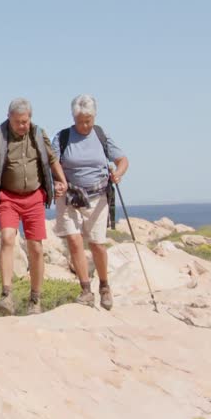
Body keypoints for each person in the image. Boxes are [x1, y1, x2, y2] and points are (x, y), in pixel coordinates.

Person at [0, 98, 68, 316]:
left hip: (34, 197)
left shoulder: (38, 134)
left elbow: (52, 158)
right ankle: (6, 295)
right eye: (18, 122)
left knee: (36, 247)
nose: (23, 126)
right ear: (9, 118)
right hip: (7, 197)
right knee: (7, 238)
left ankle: (35, 299)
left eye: (26, 121)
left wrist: (62, 181)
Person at [53, 94, 129, 310]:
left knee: (97, 244)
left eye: (88, 120)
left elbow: (122, 160)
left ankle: (104, 286)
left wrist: (118, 174)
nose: (84, 125)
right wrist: (59, 181)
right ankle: (86, 289)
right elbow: (53, 162)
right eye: (80, 121)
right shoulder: (63, 137)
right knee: (75, 241)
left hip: (98, 197)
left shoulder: (100, 135)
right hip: (70, 196)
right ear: (73, 117)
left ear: (94, 117)